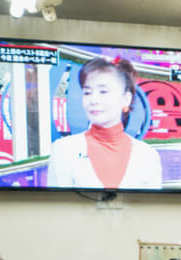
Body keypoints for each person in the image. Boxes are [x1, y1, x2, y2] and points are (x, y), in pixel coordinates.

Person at [47, 57, 162, 190]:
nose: (93, 100)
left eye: (103, 91)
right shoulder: (64, 150)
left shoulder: (147, 156)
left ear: (126, 99)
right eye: (87, 92)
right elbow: (57, 207)